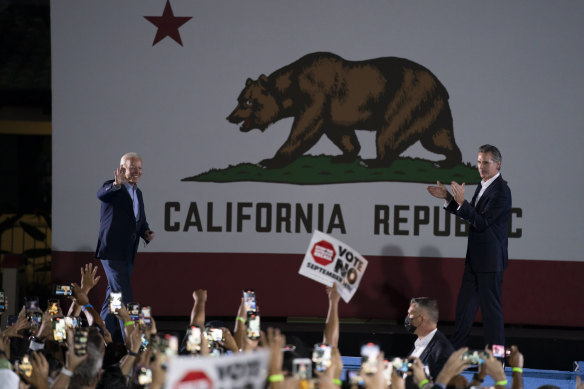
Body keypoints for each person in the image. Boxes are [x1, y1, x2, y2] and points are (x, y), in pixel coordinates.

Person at [427, 144, 511, 348]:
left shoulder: (501, 190)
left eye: (486, 162)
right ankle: (455, 354)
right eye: (479, 162)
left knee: (491, 314)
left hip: (490, 261)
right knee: (464, 310)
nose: (481, 166)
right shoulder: (483, 185)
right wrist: (449, 198)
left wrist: (463, 203)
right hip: (475, 260)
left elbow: (481, 222)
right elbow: (471, 214)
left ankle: (497, 358)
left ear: (498, 164)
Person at [95, 152, 155, 339]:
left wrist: (145, 232)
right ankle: (131, 341)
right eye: (132, 168)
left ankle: (100, 335)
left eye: (139, 168)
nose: (137, 171)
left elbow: (139, 221)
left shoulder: (138, 192)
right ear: (122, 169)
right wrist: (116, 184)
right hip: (112, 251)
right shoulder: (112, 187)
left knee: (112, 297)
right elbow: (101, 195)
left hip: (128, 252)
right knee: (123, 295)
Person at [405, 297, 454, 380]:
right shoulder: (419, 343)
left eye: (411, 314)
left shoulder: (442, 349)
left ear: (422, 319)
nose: (408, 318)